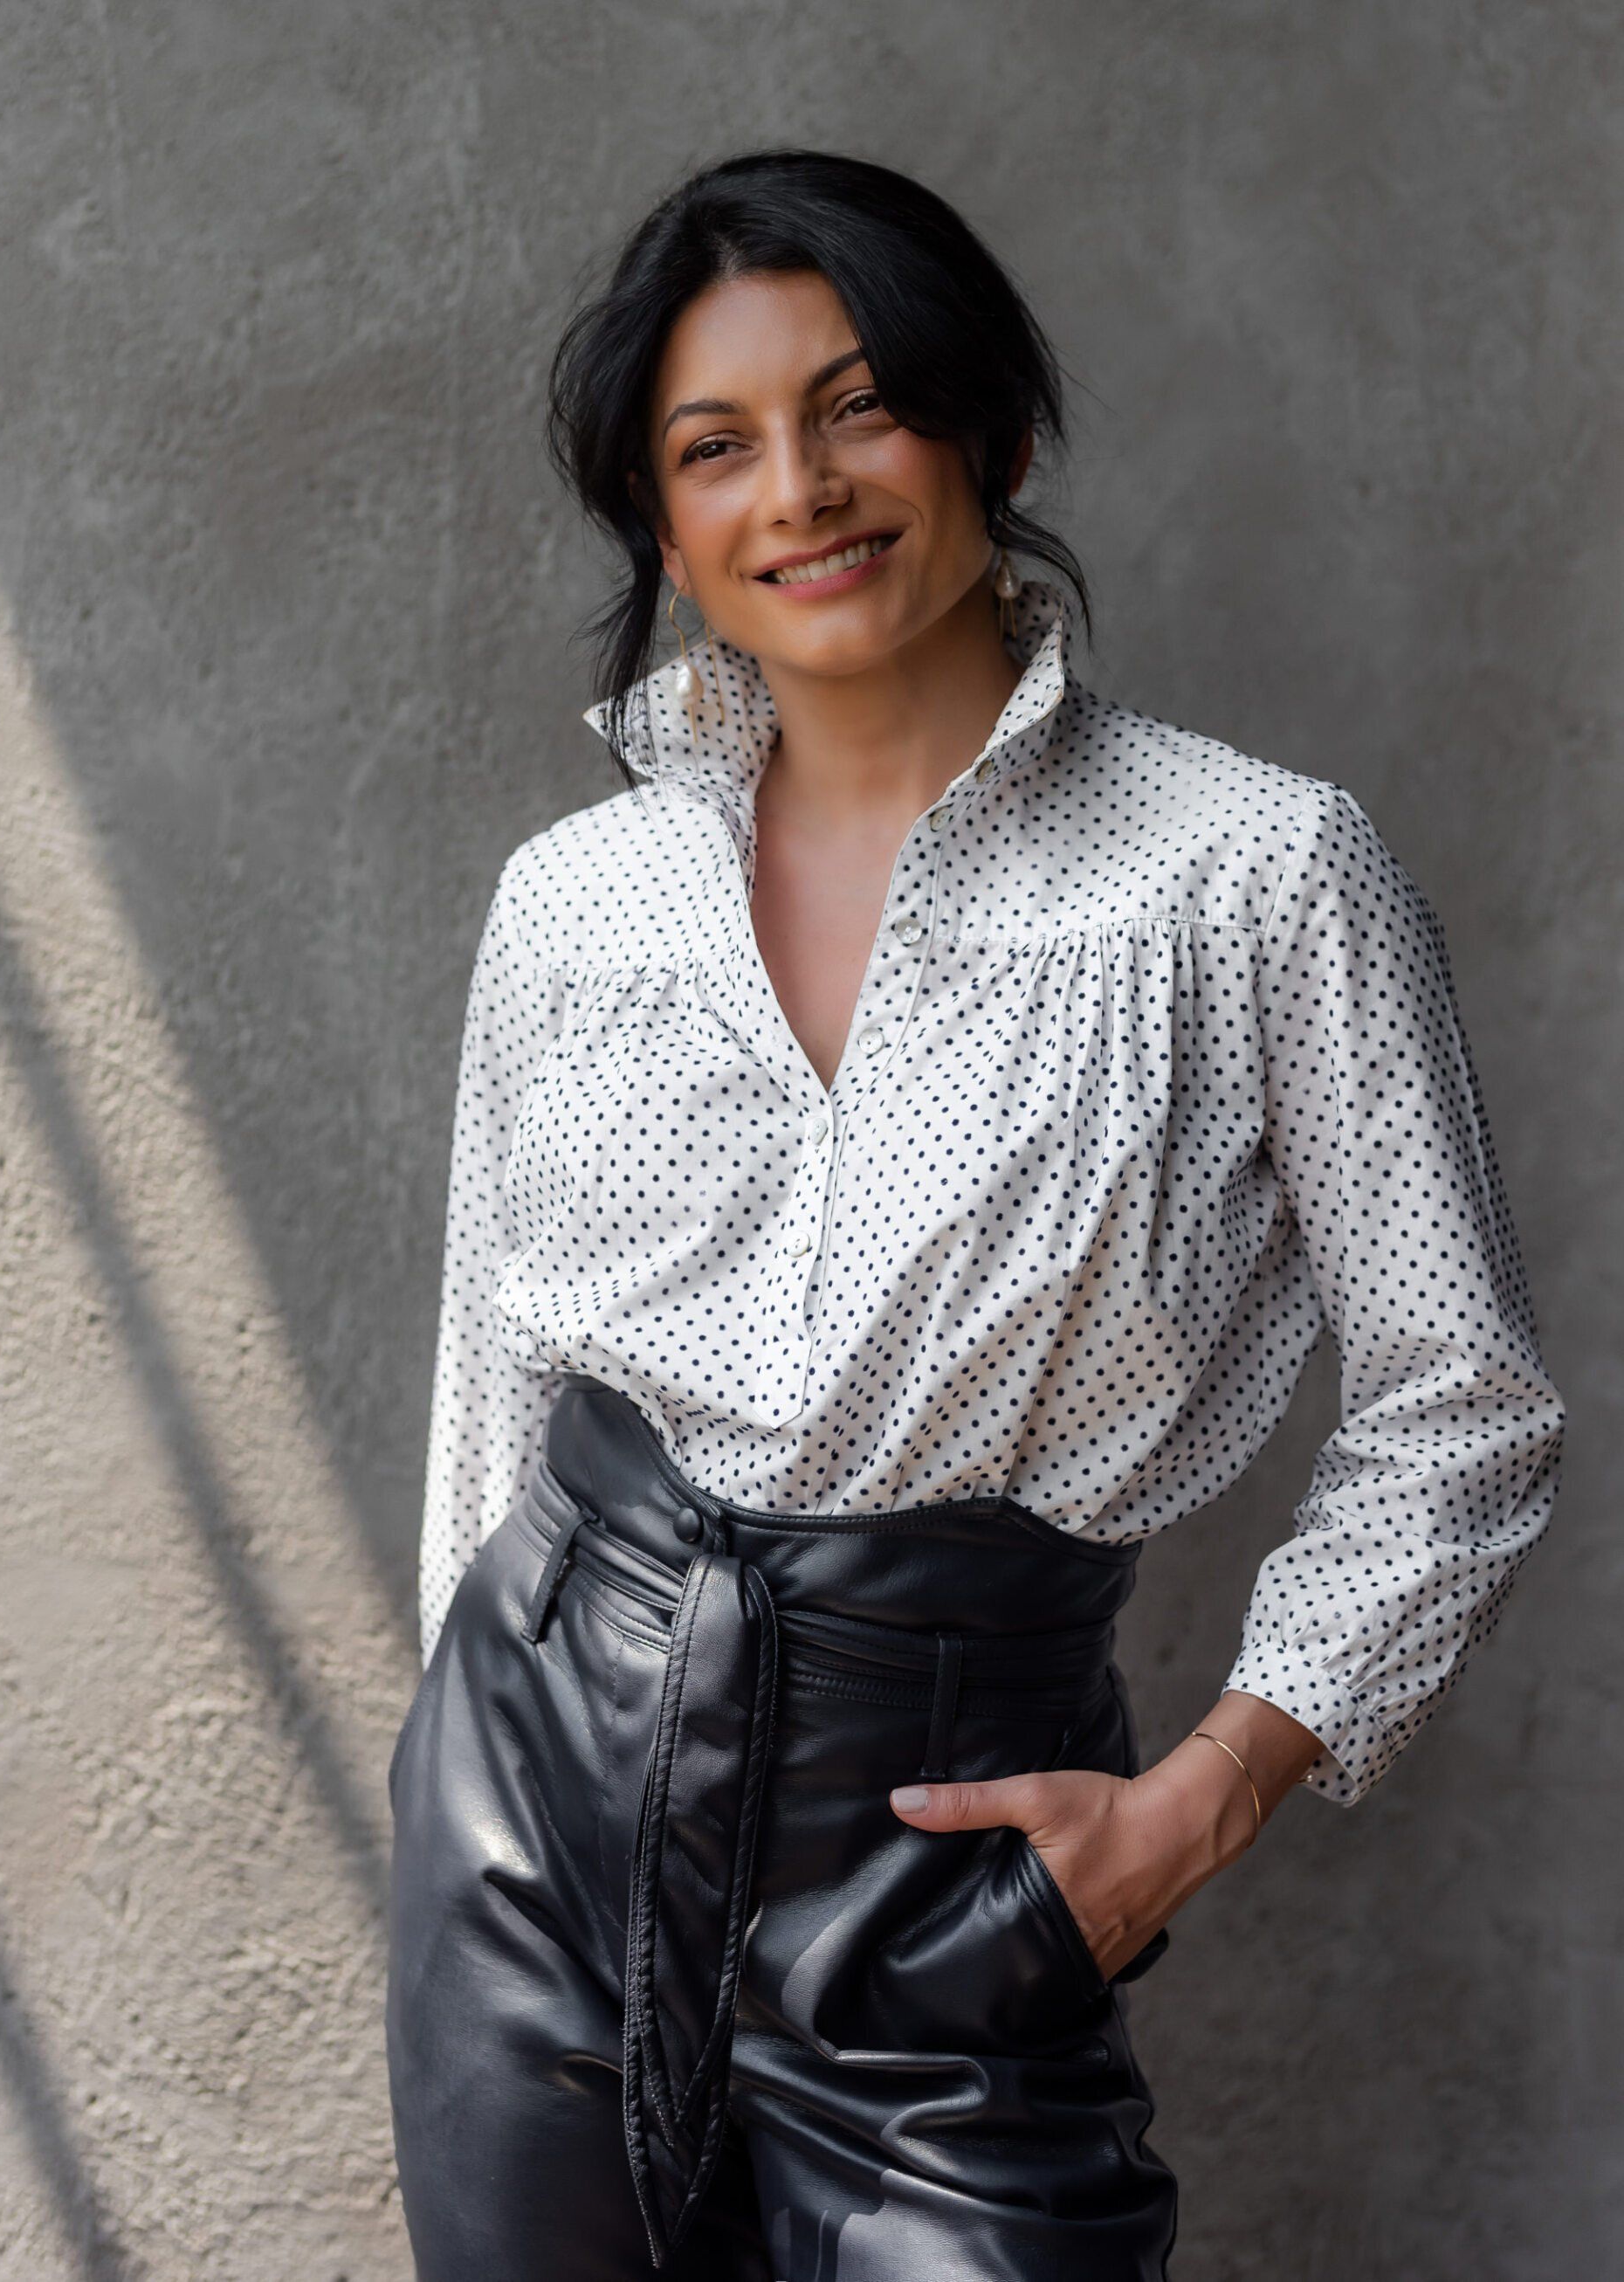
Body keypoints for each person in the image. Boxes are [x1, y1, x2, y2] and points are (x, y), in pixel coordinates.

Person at [382, 148, 1566, 2281]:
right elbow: (497, 1381)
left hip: (941, 1856)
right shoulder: (574, 904)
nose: (802, 491)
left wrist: (1194, 1803)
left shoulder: (1257, 874)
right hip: (535, 1820)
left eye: (860, 407)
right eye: (716, 446)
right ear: (665, 523)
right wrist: (443, 1778)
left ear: (990, 431)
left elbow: (1463, 1408)